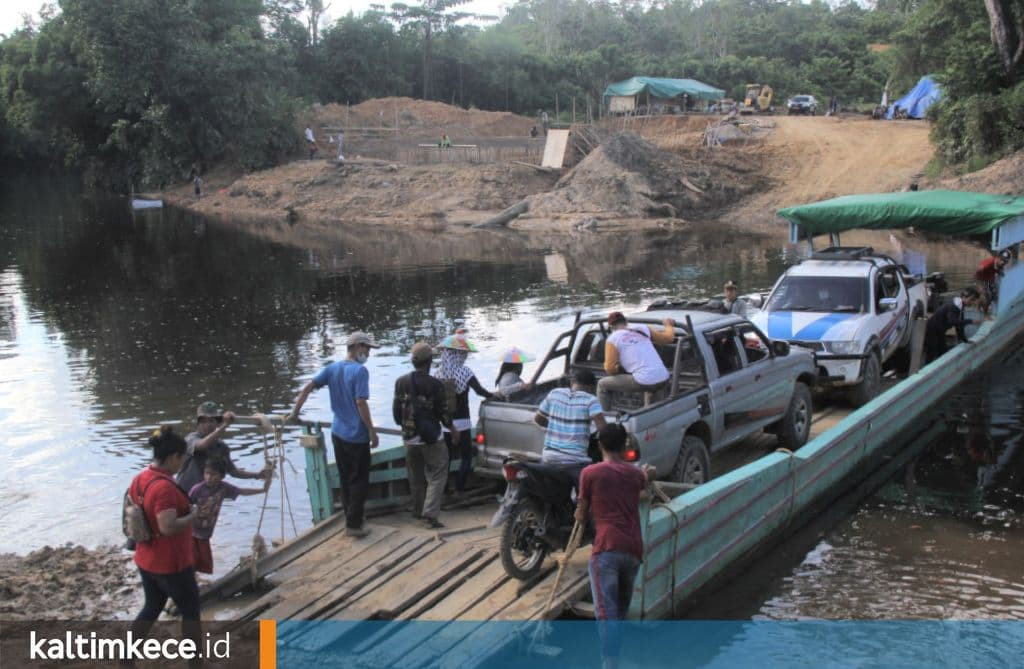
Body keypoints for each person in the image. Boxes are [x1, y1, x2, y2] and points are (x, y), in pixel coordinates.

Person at [575, 423, 655, 669]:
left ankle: (610, 663)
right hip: (633, 551)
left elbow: (580, 515)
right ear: (625, 446)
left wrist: (582, 513)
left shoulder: (590, 473)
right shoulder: (635, 475)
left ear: (599, 446)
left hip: (606, 550)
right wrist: (648, 475)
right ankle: (614, 660)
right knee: (619, 611)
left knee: (606, 613)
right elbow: (645, 482)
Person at [287, 331, 382, 537]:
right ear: (358, 347)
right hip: (356, 436)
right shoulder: (359, 372)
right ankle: (354, 526)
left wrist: (295, 413)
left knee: (346, 478)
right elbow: (360, 402)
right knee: (359, 481)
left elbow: (307, 388)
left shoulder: (332, 369)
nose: (368, 353)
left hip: (338, 433)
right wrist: (372, 431)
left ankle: (351, 517)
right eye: (367, 349)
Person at [128, 426, 201, 666]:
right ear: (173, 457)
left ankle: (126, 656)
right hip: (171, 564)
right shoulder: (164, 488)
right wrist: (193, 515)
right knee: (191, 612)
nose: (182, 465)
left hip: (146, 559)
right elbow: (168, 526)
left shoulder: (141, 478)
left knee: (151, 607)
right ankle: (196, 663)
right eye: (182, 459)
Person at [393, 342, 451, 529]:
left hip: (409, 437)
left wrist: (405, 427)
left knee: (416, 476)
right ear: (430, 361)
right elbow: (443, 413)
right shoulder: (435, 384)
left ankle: (418, 510)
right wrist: (453, 429)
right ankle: (430, 515)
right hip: (431, 437)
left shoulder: (400, 382)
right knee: (438, 473)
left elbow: (396, 412)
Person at [436, 332, 496, 495]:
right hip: (462, 422)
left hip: (445, 424)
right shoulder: (465, 372)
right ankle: (460, 488)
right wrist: (493, 395)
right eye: (463, 353)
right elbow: (480, 391)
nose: (464, 356)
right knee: (466, 456)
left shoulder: (438, 373)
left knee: (446, 459)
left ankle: (445, 489)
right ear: (459, 354)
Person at [188, 458, 268, 574]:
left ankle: (195, 579)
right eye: (207, 473)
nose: (209, 477)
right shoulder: (197, 489)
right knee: (191, 558)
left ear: (222, 476)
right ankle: (193, 580)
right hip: (192, 530)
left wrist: (262, 490)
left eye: (213, 474)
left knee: (203, 561)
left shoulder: (223, 488)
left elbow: (241, 491)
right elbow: (186, 503)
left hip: (206, 532)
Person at [176, 402, 270, 494]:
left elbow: (233, 472)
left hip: (203, 497)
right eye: (203, 421)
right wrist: (225, 426)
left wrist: (257, 475)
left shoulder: (221, 447)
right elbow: (202, 446)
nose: (207, 425)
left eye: (211, 421)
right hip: (183, 494)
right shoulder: (191, 439)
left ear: (217, 424)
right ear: (198, 424)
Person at [534, 368, 607, 479]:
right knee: (587, 493)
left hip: (548, 459)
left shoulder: (554, 393)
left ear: (572, 382)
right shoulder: (591, 400)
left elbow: (538, 419)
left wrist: (554, 426)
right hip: (575, 462)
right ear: (592, 387)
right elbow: (603, 430)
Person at [597, 311, 676, 411]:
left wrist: (619, 368)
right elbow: (668, 339)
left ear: (611, 327)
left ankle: (605, 418)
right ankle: (647, 411)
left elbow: (609, 369)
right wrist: (669, 325)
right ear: (626, 322)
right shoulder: (643, 328)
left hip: (644, 381)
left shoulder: (612, 339)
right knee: (646, 380)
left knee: (602, 384)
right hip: (664, 377)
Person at [924, 287, 980, 363]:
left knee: (943, 351)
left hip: (940, 330)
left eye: (973, 300)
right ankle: (927, 369)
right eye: (971, 299)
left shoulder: (960, 307)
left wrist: (965, 340)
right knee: (932, 352)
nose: (972, 302)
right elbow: (952, 321)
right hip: (932, 329)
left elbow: (959, 326)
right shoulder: (953, 306)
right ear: (964, 297)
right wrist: (970, 321)